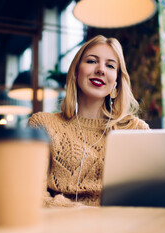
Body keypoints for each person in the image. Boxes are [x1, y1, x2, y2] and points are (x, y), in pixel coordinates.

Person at [28, 35, 149, 207]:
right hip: (62, 227)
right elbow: (33, 196)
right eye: (92, 61)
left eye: (110, 65)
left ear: (116, 81)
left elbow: (149, 194)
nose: (101, 70)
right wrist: (82, 212)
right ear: (76, 72)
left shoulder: (136, 130)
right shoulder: (43, 125)